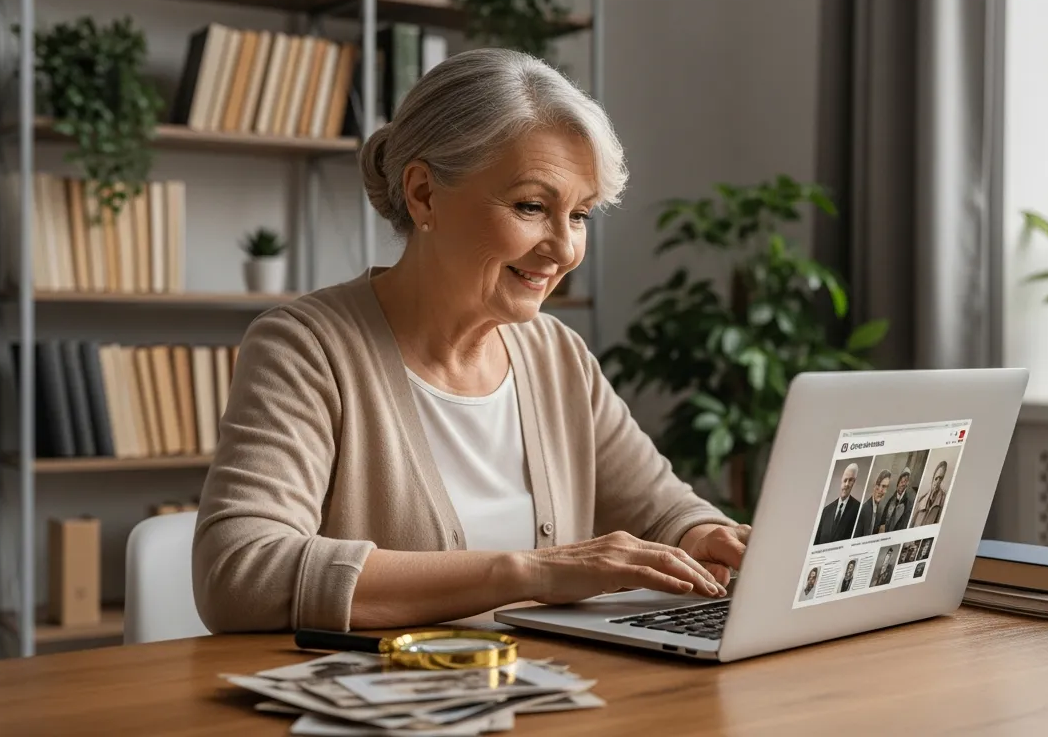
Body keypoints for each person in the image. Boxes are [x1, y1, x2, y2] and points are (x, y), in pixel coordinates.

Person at [191, 49, 749, 634]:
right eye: (532, 206)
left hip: (546, 702)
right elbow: (239, 572)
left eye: (580, 215)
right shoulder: (307, 348)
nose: (563, 249)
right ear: (424, 194)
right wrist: (528, 573)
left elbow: (662, 510)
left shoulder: (557, 355)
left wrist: (707, 537)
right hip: (390, 711)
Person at [813, 463, 862, 545]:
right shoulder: (826, 511)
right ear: (841, 480)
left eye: (850, 480)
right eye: (845, 480)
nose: (846, 484)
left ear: (854, 482)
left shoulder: (858, 509)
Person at [853, 470, 891, 538]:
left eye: (885, 487)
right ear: (874, 486)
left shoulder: (880, 511)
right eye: (879, 485)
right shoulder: (863, 510)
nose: (881, 490)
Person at [912, 461, 950, 527]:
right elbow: (912, 522)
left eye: (940, 478)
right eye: (936, 478)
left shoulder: (943, 500)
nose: (938, 481)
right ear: (933, 477)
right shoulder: (921, 499)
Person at [877, 468, 915, 533]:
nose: (902, 484)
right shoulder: (891, 500)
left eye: (905, 482)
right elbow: (883, 521)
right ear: (898, 482)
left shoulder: (907, 504)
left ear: (907, 484)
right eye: (901, 481)